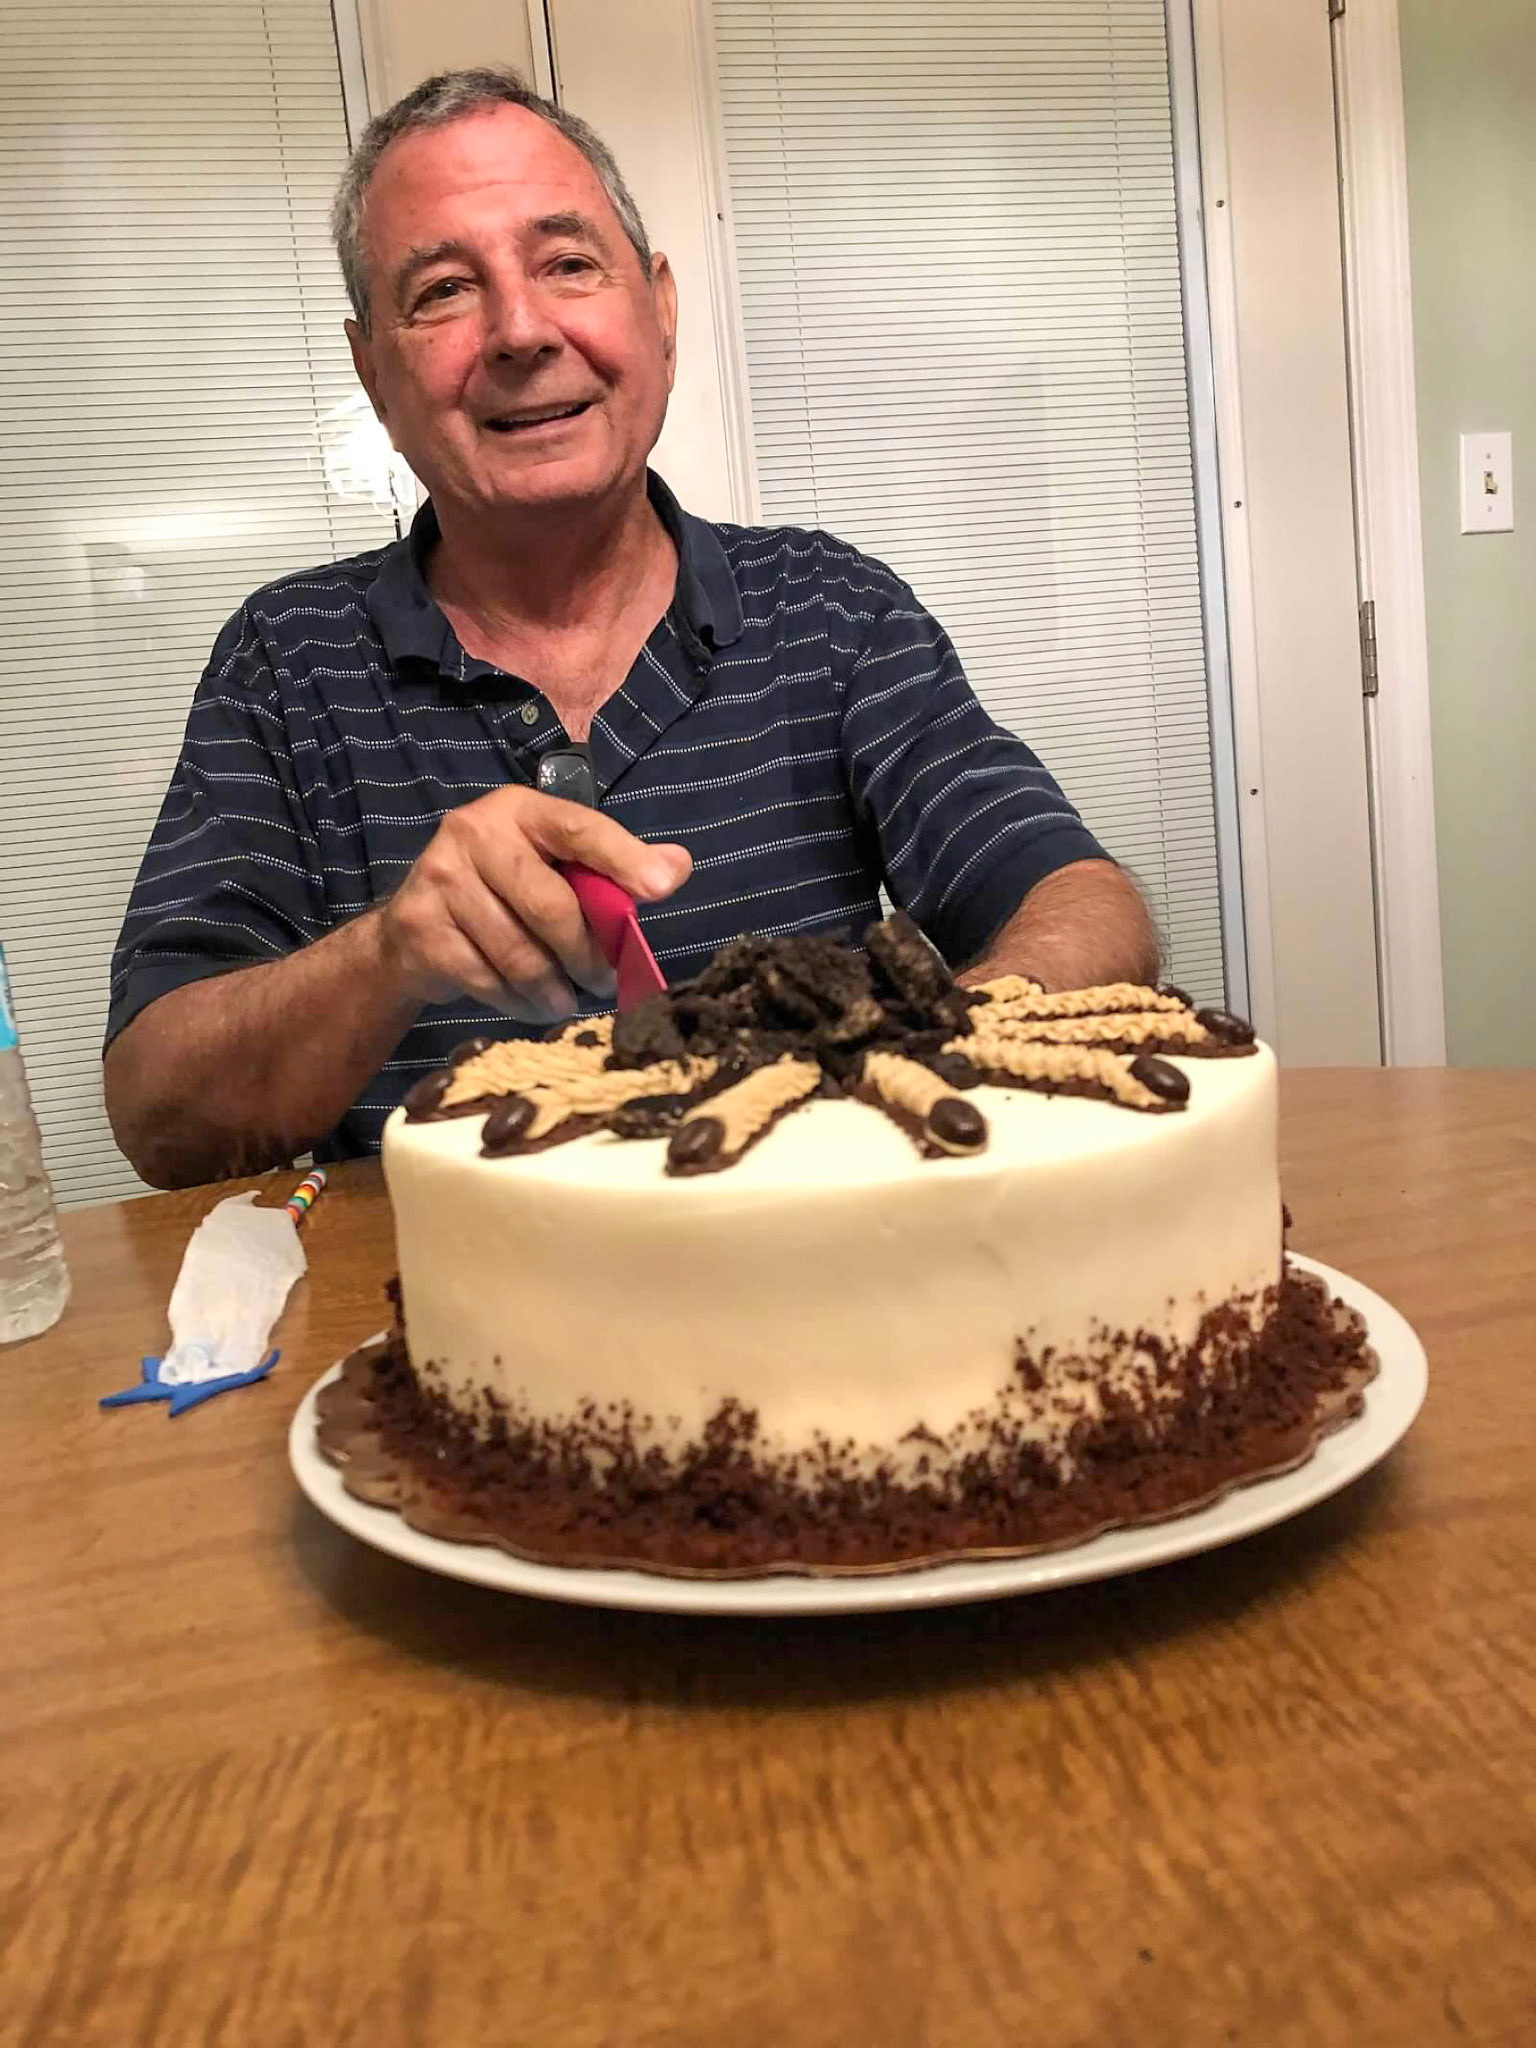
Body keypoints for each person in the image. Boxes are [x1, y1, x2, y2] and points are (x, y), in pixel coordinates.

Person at [105, 67, 1158, 1189]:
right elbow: (161, 1113)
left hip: (817, 1253)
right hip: (447, 1282)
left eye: (567, 264)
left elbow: (1083, 903)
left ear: (659, 309)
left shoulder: (831, 610)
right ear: (373, 372)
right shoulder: (286, 661)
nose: (521, 331)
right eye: (445, 291)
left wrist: (943, 1043)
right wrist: (389, 953)